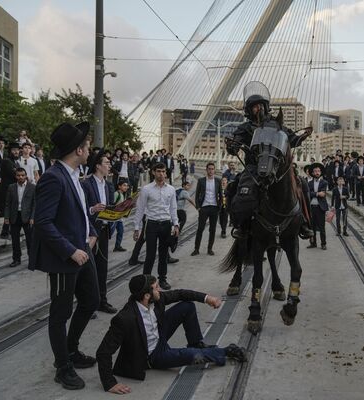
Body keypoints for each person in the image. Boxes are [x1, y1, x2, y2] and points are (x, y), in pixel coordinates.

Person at [29, 122, 99, 390]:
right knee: (60, 313)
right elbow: (43, 222)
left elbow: (81, 212)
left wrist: (91, 232)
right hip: (64, 258)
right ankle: (63, 366)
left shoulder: (75, 175)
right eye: (87, 146)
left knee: (91, 300)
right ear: (78, 150)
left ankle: (71, 350)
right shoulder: (53, 177)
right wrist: (70, 251)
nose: (89, 149)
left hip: (84, 250)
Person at [96, 274, 246, 394]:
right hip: (152, 355)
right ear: (147, 296)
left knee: (187, 306)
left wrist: (207, 298)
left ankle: (196, 342)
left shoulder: (156, 299)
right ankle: (226, 351)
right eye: (156, 288)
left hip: (159, 336)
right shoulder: (124, 319)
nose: (160, 290)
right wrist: (109, 383)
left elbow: (181, 294)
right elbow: (103, 352)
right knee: (192, 355)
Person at [226, 81, 312, 239]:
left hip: (277, 166)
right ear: (250, 110)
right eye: (254, 106)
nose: (258, 109)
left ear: (266, 106)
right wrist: (232, 146)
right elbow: (235, 144)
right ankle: (241, 225)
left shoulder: (276, 125)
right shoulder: (245, 128)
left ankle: (304, 222)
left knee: (302, 184)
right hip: (254, 167)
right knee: (236, 186)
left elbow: (292, 140)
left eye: (260, 105)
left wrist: (304, 136)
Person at [133, 163, 179, 290]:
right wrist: (137, 227)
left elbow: (173, 208)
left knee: (164, 254)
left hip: (165, 224)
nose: (161, 174)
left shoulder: (171, 189)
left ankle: (162, 279)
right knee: (150, 255)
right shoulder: (146, 189)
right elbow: (140, 209)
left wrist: (176, 225)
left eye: (163, 171)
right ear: (153, 172)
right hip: (151, 224)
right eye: (158, 171)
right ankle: (146, 281)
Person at [82, 149, 117, 314]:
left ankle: (102, 301)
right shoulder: (86, 184)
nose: (109, 165)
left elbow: (109, 206)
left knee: (102, 268)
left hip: (104, 230)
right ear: (97, 166)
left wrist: (119, 211)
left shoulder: (109, 185)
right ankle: (88, 304)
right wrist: (92, 209)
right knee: (89, 269)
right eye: (106, 163)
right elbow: (81, 210)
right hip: (91, 232)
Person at [4, 168, 35, 267]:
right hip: (14, 216)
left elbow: (35, 204)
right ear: (15, 176)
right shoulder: (11, 187)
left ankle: (32, 260)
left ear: (26, 176)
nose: (20, 177)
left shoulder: (32, 187)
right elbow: (8, 203)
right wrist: (6, 217)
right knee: (15, 240)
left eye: (22, 175)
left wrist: (32, 217)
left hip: (27, 217)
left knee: (30, 240)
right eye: (18, 175)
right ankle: (16, 259)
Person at [192, 162, 221, 256]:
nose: (211, 171)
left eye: (212, 169)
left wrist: (219, 207)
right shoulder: (201, 181)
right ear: (206, 170)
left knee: (212, 230)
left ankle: (210, 249)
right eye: (209, 169)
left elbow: (221, 194)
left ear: (214, 170)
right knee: (200, 229)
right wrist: (198, 207)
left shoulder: (218, 181)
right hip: (204, 208)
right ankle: (196, 249)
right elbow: (197, 195)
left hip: (214, 208)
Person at [307, 163, 328, 250]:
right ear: (312, 173)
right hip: (311, 207)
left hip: (320, 208)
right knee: (312, 227)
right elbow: (308, 194)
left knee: (322, 227)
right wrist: (317, 193)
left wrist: (314, 193)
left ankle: (323, 243)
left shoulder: (324, 182)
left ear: (320, 172)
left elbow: (323, 194)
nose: (317, 173)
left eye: (318, 171)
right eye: (315, 171)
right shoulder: (309, 183)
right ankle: (313, 243)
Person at [112, 179, 130, 252]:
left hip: (119, 218)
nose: (126, 187)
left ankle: (117, 246)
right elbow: (112, 204)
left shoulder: (122, 194)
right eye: (124, 185)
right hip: (114, 217)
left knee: (120, 231)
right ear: (119, 186)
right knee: (110, 232)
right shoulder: (116, 194)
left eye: (127, 186)